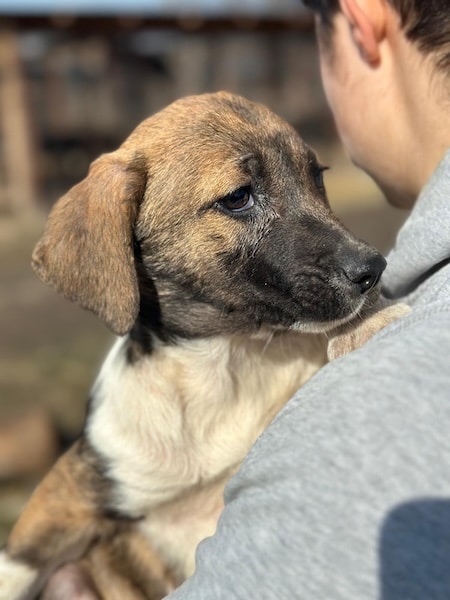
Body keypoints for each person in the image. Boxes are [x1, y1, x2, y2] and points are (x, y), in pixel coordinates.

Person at [45, 0, 450, 597]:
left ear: (361, 23)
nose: (354, 253)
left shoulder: (368, 426)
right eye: (239, 198)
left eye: (313, 178)